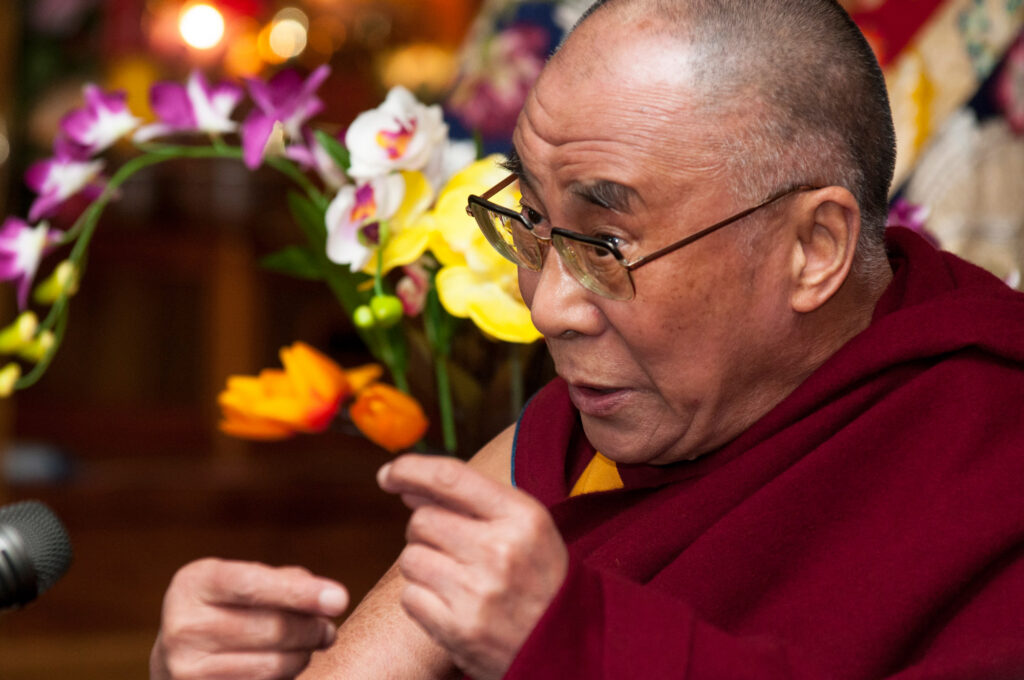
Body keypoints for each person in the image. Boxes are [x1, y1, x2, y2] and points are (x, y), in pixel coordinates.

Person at [150, 0, 1024, 678]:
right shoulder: (568, 440)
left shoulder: (989, 450)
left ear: (813, 249)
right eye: (531, 222)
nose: (550, 308)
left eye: (605, 245)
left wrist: (586, 647)